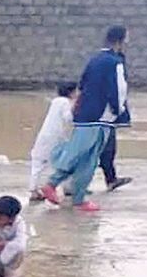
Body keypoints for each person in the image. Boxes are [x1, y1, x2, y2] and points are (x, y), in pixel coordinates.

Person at [42, 26, 132, 212]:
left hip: (91, 116)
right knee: (80, 154)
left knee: (88, 159)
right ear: (121, 40)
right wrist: (118, 110)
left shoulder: (95, 60)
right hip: (100, 117)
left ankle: (79, 197)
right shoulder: (114, 62)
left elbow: (82, 85)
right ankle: (52, 184)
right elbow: (118, 89)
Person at [29, 82, 77, 202]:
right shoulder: (65, 102)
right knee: (65, 161)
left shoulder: (56, 101)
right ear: (71, 92)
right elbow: (68, 118)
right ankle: (67, 187)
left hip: (45, 134)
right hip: (56, 137)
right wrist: (76, 107)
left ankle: (33, 190)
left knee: (38, 162)